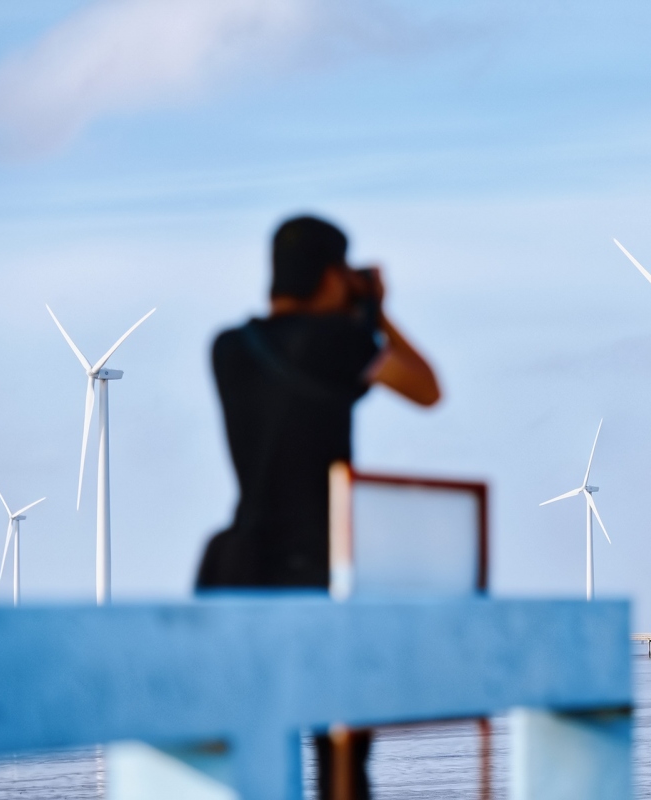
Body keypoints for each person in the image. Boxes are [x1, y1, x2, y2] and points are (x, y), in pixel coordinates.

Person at [196, 214, 440, 798]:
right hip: (324, 566)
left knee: (256, 740)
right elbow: (426, 388)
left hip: (242, 568)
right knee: (340, 759)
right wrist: (375, 312)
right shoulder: (341, 344)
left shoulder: (228, 349)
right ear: (331, 276)